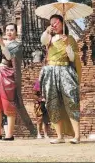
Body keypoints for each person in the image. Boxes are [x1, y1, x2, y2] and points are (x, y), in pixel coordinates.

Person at [0, 23, 34, 141]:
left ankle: (9, 134)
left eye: (12, 30)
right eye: (7, 30)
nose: (9, 32)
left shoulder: (17, 46)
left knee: (8, 104)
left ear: (16, 32)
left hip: (7, 74)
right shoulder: (2, 42)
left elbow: (8, 57)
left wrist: (1, 43)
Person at [39, 14, 81, 144]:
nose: (54, 25)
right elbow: (42, 40)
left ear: (63, 23)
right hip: (51, 71)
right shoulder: (49, 39)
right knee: (52, 102)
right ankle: (59, 136)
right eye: (51, 23)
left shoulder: (70, 39)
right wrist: (47, 31)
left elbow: (73, 58)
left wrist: (67, 44)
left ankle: (77, 136)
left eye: (56, 22)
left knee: (71, 101)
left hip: (65, 71)